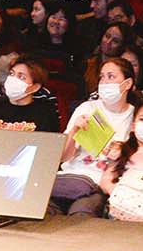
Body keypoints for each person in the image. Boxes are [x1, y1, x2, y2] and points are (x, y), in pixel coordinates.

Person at [52, 56, 137, 215]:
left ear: (127, 84)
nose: (104, 82)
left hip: (100, 184)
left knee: (81, 212)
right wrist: (74, 130)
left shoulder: (135, 115)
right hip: (70, 177)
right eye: (102, 77)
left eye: (111, 76)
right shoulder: (87, 108)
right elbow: (63, 157)